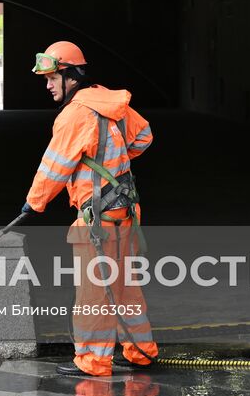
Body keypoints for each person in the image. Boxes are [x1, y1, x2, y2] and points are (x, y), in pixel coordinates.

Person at [20, 41, 159, 377]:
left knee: (93, 292)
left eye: (52, 78)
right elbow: (144, 138)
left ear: (70, 76)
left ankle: (93, 362)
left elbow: (54, 168)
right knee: (124, 285)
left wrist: (33, 203)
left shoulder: (74, 115)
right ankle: (141, 352)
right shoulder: (111, 102)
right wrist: (110, 158)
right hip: (125, 211)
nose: (48, 85)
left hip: (98, 219)